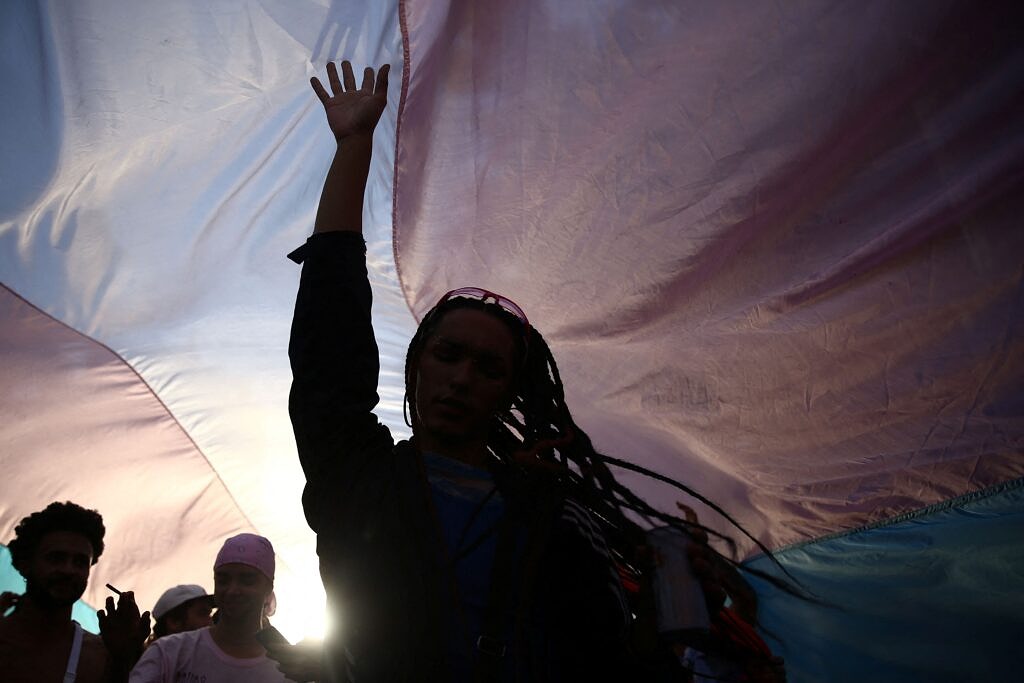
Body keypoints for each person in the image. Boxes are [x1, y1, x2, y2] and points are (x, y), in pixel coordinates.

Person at [286, 60, 743, 682]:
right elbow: (328, 345)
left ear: (510, 392)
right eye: (447, 355)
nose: (462, 378)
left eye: (488, 368)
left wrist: (680, 607)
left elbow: (610, 665)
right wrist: (355, 146)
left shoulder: (554, 512)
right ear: (415, 368)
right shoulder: (360, 476)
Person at [0, 501, 149, 683]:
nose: (68, 570)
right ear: (25, 564)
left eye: (80, 562)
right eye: (56, 558)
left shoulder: (97, 656)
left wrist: (121, 662)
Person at [129, 533, 298, 683]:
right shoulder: (169, 653)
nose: (233, 590)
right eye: (223, 580)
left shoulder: (290, 670)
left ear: (268, 588)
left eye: (247, 580)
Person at [146, 584, 214, 644]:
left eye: (209, 614)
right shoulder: (155, 657)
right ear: (174, 622)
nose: (211, 622)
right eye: (202, 614)